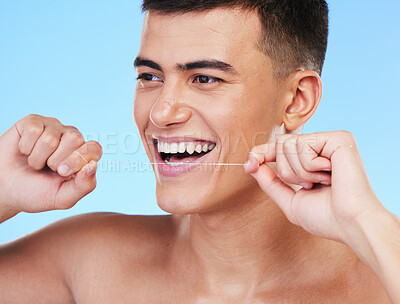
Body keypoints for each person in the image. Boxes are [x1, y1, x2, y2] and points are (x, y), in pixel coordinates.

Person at [1, 0, 399, 302]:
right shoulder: (86, 264)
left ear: (296, 99)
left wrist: (365, 222)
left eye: (204, 78)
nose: (160, 112)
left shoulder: (379, 279)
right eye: (150, 76)